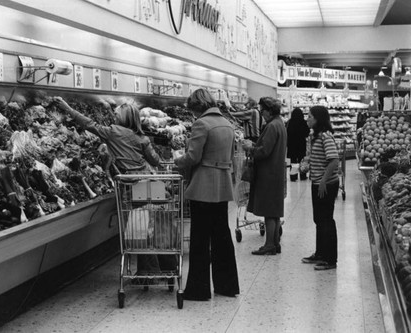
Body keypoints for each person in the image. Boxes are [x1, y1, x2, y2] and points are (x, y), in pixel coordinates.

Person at [53, 97, 176, 276]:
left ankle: (147, 270)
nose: (114, 116)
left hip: (133, 186)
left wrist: (67, 107)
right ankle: (169, 266)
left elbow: (89, 124)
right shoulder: (142, 138)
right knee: (159, 223)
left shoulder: (112, 132)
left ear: (123, 118)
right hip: (152, 183)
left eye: (117, 114)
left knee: (138, 228)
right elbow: (155, 160)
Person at [174, 88, 239, 301]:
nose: (192, 114)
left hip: (203, 186)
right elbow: (230, 155)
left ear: (197, 106)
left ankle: (198, 289)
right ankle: (227, 285)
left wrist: (178, 161)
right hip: (222, 185)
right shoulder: (227, 124)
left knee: (200, 239)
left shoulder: (201, 124)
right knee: (222, 237)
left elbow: (193, 157)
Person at [243, 97, 287, 255]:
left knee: (269, 211)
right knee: (274, 212)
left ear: (269, 111)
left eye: (262, 110)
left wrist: (250, 147)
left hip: (268, 173)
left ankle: (269, 245)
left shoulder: (271, 126)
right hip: (276, 171)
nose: (261, 113)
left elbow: (264, 151)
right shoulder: (280, 123)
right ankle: (275, 244)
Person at [301, 105, 339, 271]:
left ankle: (330, 259)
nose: (307, 119)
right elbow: (318, 158)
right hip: (318, 182)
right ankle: (320, 253)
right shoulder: (314, 136)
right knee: (319, 220)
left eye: (309, 116)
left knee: (326, 220)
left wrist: (323, 181)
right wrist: (307, 163)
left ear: (318, 119)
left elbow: (334, 160)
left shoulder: (325, 136)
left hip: (326, 184)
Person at [286, 107, 310, 181]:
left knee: (293, 161)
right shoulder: (303, 122)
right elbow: (307, 133)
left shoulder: (289, 122)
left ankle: (293, 176)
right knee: (301, 160)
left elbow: (287, 133)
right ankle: (302, 175)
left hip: (291, 144)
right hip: (301, 144)